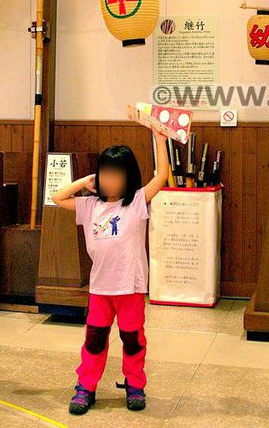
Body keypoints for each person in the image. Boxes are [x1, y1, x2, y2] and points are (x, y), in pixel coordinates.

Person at [51, 129, 170, 414]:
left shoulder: (137, 202)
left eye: (116, 175)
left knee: (132, 340)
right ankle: (86, 386)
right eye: (105, 174)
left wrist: (160, 140)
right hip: (100, 290)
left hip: (130, 288)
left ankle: (135, 385)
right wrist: (85, 181)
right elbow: (57, 197)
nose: (110, 180)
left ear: (129, 178)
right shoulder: (90, 206)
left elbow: (162, 176)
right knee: (94, 341)